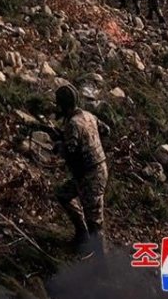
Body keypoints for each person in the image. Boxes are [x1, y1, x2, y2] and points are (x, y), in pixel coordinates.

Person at [53, 85, 109, 253]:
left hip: (90, 175)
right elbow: (106, 130)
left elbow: (70, 151)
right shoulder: (88, 115)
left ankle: (102, 265)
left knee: (95, 222)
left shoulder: (72, 124)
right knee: (63, 195)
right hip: (92, 170)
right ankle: (82, 234)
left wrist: (59, 145)